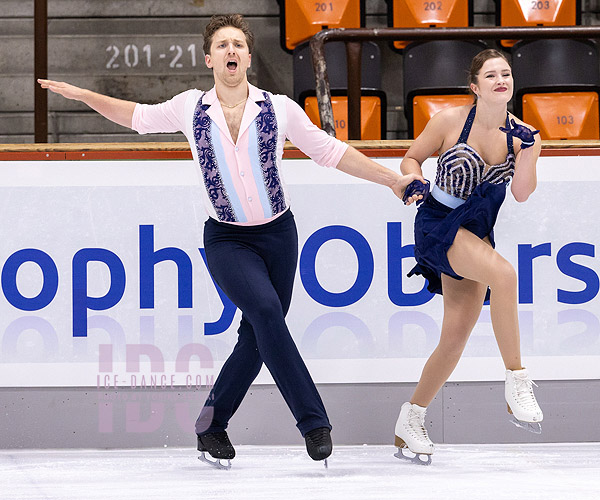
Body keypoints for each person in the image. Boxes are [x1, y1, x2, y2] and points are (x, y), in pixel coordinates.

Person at [39, 14, 425, 468]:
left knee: (256, 337)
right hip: (226, 239)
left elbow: (330, 151)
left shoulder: (278, 108)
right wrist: (84, 95)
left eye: (238, 44)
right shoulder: (190, 107)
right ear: (209, 59)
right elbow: (137, 118)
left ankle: (211, 425)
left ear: (247, 57)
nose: (231, 51)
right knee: (265, 314)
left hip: (280, 235)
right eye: (222, 45)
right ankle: (313, 422)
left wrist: (391, 181)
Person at [395, 49, 544, 464]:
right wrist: (416, 180)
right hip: (437, 225)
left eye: (507, 73)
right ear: (475, 86)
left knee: (454, 340)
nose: (501, 79)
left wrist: (530, 152)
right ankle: (517, 379)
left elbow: (522, 192)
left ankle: (410, 420)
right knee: (506, 275)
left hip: (475, 234)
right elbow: (410, 157)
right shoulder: (449, 121)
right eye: (491, 74)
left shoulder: (523, 134)